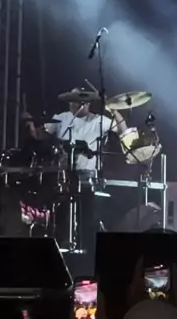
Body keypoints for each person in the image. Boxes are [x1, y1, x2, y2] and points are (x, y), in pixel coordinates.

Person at [31, 88, 128, 252]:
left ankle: (87, 250)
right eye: (71, 102)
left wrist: (112, 109)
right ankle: (61, 245)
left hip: (88, 176)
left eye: (76, 102)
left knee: (87, 217)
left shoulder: (99, 120)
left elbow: (123, 130)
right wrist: (28, 123)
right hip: (64, 175)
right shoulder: (61, 118)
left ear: (86, 103)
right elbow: (39, 135)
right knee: (61, 214)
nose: (72, 105)